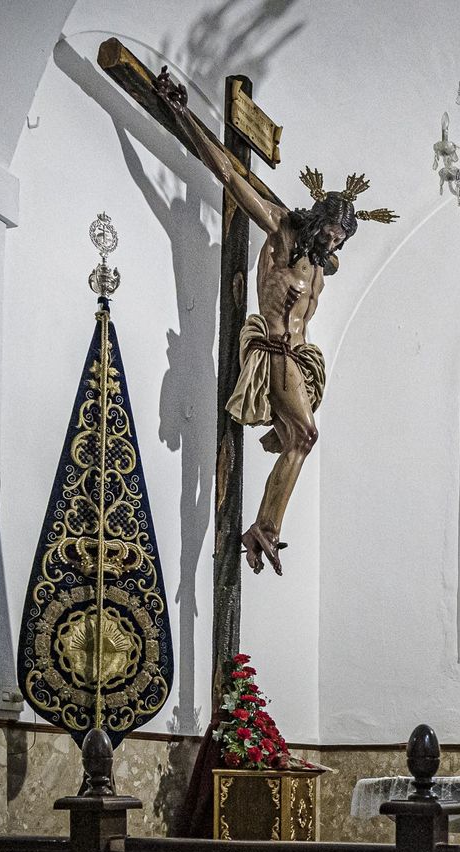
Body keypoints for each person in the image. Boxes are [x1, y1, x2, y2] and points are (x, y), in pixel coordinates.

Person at [153, 68, 396, 575]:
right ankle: (265, 526)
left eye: (341, 240)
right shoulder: (283, 232)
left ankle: (265, 524)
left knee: (298, 440)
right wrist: (182, 114)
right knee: (304, 437)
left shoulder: (320, 267)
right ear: (316, 219)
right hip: (275, 351)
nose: (334, 246)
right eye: (331, 233)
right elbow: (228, 174)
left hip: (300, 360)